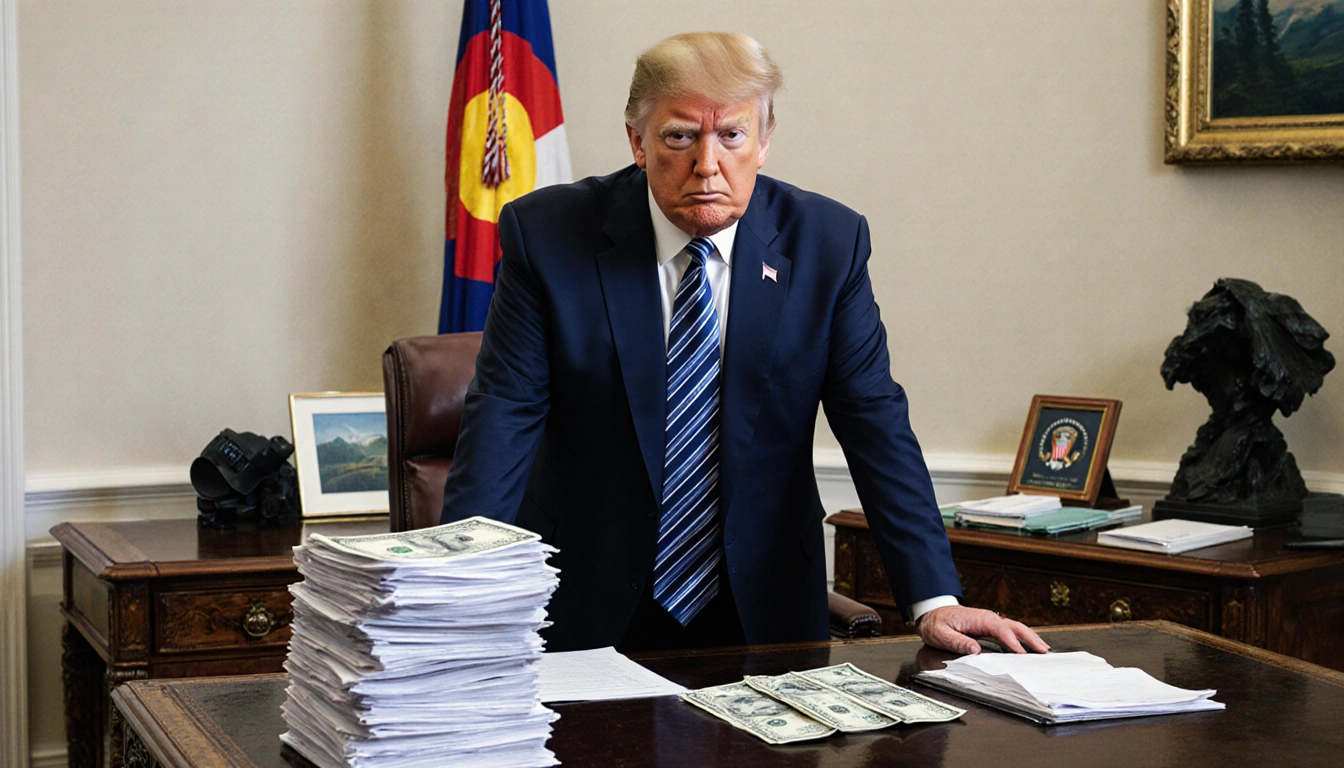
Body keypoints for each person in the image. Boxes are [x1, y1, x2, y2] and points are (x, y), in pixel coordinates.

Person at [441, 31, 1047, 657]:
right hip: (587, 603)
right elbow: (504, 414)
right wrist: (449, 584)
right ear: (637, 142)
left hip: (767, 606)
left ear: (763, 140)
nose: (708, 163)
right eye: (680, 136)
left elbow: (874, 421)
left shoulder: (826, 244)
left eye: (731, 135)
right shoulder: (548, 236)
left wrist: (934, 599)